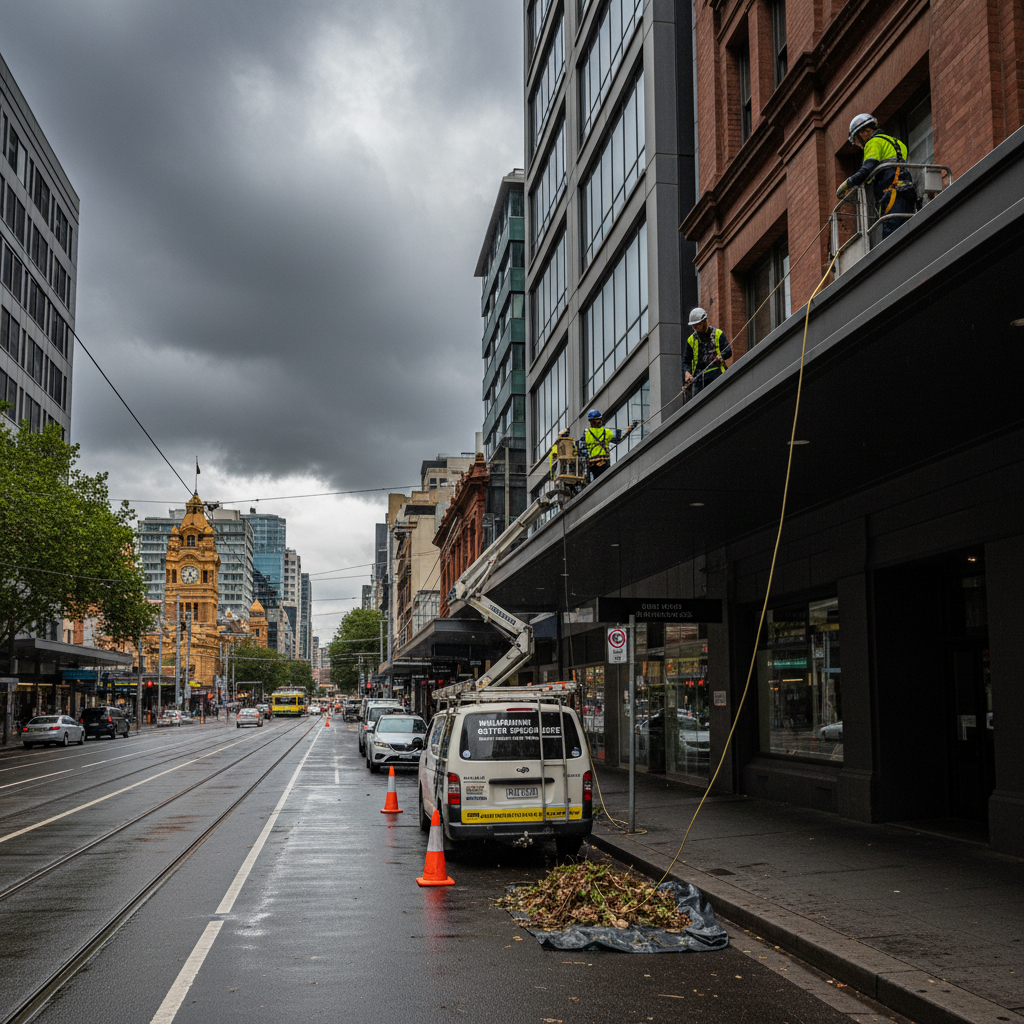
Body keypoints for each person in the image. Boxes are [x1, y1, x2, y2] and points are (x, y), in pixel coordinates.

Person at [836, 113, 918, 239]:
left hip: (892, 192)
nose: (858, 145)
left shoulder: (873, 143)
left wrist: (848, 184)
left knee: (892, 235)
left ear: (865, 131)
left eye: (857, 140)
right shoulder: (897, 143)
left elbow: (867, 170)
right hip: (906, 190)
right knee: (908, 230)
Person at [578, 410, 637, 482]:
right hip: (603, 461)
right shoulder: (606, 431)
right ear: (600, 419)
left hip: (593, 462)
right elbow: (620, 436)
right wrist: (631, 428)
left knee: (596, 482)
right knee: (606, 481)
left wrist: (586, 463)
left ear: (590, 421)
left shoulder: (586, 433)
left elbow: (581, 449)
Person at [684, 308, 732, 395]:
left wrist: (721, 356)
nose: (694, 327)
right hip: (699, 379)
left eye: (697, 325)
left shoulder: (718, 334)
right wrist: (687, 373)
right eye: (693, 326)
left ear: (704, 322)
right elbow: (686, 361)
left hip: (717, 373)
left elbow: (728, 352)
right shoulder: (691, 340)